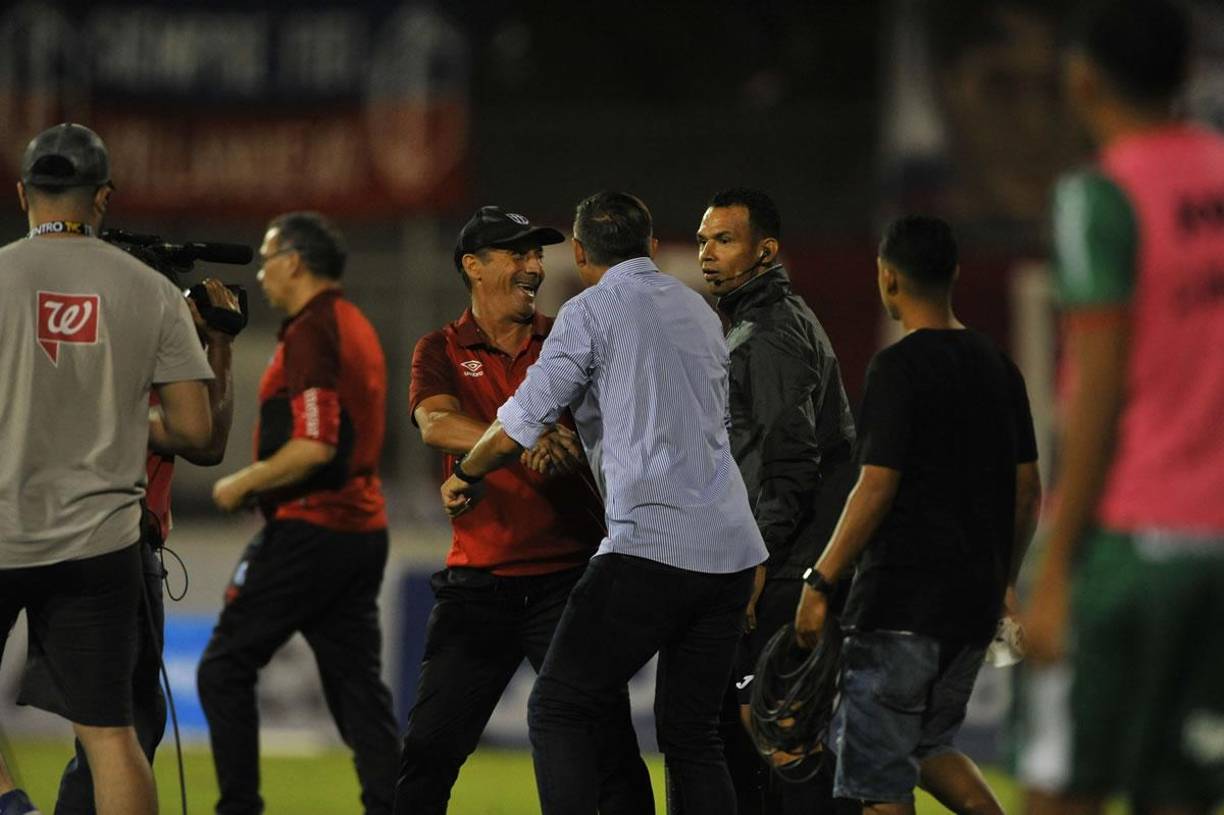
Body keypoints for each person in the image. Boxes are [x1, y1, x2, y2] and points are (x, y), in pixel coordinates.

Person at [440, 191, 768, 814]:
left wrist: (468, 472)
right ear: (650, 248)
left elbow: (520, 423)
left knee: (559, 707)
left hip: (649, 544)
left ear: (581, 252)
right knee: (692, 737)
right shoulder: (701, 311)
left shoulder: (587, 312)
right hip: (729, 550)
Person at [1023, 1, 1224, 812]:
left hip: (1130, 545)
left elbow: (1098, 394)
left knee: (1060, 791)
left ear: (1083, 80)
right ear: (1185, 74)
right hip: (1216, 552)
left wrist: (1058, 567)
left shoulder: (1098, 199)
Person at [396, 205, 653, 814]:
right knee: (428, 752)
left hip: (570, 582)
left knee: (610, 752)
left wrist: (570, 450)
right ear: (473, 266)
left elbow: (618, 430)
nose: (535, 265)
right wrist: (523, 434)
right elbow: (434, 423)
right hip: (479, 585)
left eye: (537, 254)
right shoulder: (439, 348)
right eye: (518, 253)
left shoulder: (569, 335)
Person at [794, 215, 1041, 815]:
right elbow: (1028, 489)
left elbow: (876, 486)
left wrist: (821, 579)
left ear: (887, 278)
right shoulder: (998, 366)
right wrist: (1004, 579)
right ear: (953, 275)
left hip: (899, 606)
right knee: (929, 744)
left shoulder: (897, 368)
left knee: (877, 778)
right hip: (970, 611)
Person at [0, 123, 214, 815]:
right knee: (110, 735)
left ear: (22, 192)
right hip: (101, 543)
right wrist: (120, 419)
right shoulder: (149, 291)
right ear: (102, 199)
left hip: (1, 528)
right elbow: (193, 428)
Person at [198, 212, 399, 815]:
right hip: (361, 529)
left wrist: (243, 483)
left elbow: (315, 444)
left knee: (223, 669)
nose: (260, 274)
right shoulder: (353, 323)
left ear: (293, 260)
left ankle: (240, 808)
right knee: (358, 691)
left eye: (266, 259)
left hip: (312, 527)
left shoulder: (313, 331)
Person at [54, 276, 240, 815]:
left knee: (116, 722)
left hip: (79, 545)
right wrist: (220, 341)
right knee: (122, 725)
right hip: (116, 553)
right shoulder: (129, 386)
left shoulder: (81, 369)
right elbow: (207, 440)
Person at [697, 187, 857, 814]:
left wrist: (756, 561)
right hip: (786, 558)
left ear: (765, 251)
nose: (707, 252)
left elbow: (788, 464)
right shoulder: (756, 322)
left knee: (784, 738)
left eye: (724, 240)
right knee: (764, 733)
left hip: (785, 567)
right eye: (705, 239)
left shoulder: (769, 334)